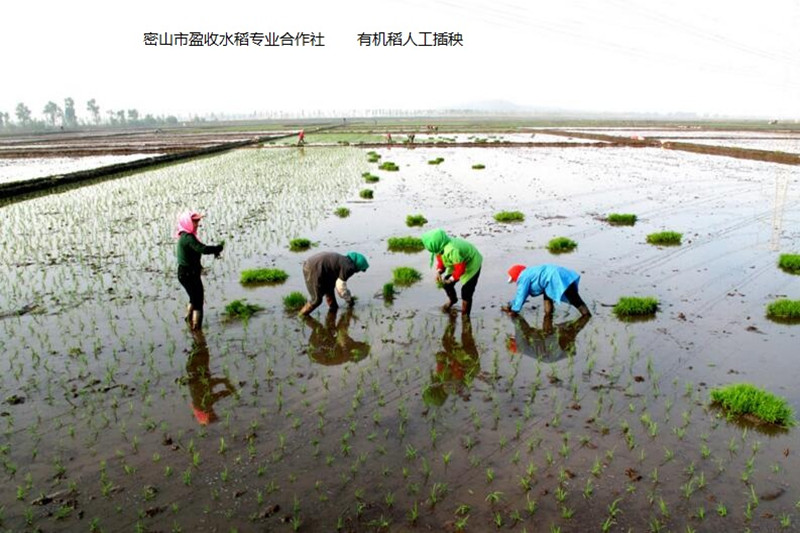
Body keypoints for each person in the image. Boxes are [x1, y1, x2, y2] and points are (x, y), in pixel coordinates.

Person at [175, 211, 224, 330]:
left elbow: (197, 250)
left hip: (185, 274)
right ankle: (197, 329)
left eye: (198, 221)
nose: (197, 224)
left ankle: (189, 320)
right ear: (187, 222)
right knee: (198, 302)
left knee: (193, 298)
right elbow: (203, 249)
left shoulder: (184, 236)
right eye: (194, 221)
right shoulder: (188, 238)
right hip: (189, 274)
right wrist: (217, 248)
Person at [420, 229, 482, 316]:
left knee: (466, 291)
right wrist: (439, 272)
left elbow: (460, 269)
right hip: (457, 262)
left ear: (435, 243)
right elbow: (441, 262)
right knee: (446, 284)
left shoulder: (452, 249)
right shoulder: (439, 247)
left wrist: (451, 280)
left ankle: (465, 316)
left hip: (471, 262)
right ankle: (453, 300)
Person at [502, 264, 591, 317]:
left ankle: (587, 316)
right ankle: (548, 315)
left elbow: (521, 295)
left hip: (555, 278)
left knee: (575, 300)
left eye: (514, 280)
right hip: (561, 274)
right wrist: (511, 304)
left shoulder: (523, 277)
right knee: (548, 294)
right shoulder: (530, 272)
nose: (515, 282)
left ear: (516, 276)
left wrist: (514, 311)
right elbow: (521, 295)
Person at [186, 330, 235, 425]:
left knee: (200, 345)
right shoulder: (201, 403)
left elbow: (214, 391)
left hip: (196, 368)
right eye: (213, 413)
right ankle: (196, 331)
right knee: (200, 345)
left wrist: (226, 385)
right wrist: (227, 386)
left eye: (212, 413)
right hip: (194, 368)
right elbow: (215, 393)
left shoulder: (201, 402)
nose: (213, 411)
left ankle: (196, 331)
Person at [298, 251, 369, 316]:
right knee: (316, 300)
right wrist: (349, 300)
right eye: (359, 270)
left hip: (316, 265)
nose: (357, 272)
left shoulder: (344, 261)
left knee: (330, 287)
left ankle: (333, 310)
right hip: (313, 268)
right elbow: (340, 287)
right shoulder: (349, 267)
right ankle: (301, 315)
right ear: (357, 266)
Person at [506, 313, 591, 363]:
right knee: (560, 330)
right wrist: (513, 315)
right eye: (512, 338)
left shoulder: (526, 348)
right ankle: (586, 316)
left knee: (571, 330)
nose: (514, 336)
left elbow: (524, 328)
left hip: (559, 352)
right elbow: (519, 325)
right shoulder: (520, 345)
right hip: (551, 349)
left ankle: (585, 317)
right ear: (514, 342)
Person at [303, 308, 370, 365]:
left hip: (317, 348)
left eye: (361, 344)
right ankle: (303, 314)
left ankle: (303, 315)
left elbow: (341, 329)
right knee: (326, 329)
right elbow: (341, 329)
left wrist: (348, 313)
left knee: (320, 328)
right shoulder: (347, 351)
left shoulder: (347, 349)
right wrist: (348, 313)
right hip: (317, 350)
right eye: (362, 343)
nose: (360, 342)